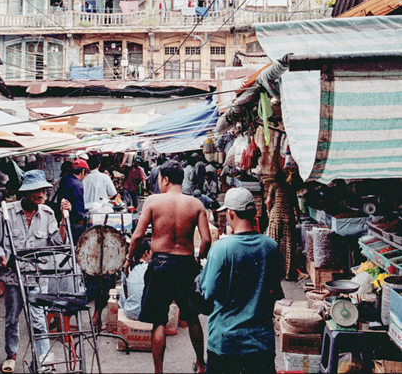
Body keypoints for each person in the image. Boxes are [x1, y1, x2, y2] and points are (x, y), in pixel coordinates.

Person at [125, 160, 211, 374]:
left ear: (165, 179)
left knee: (158, 321)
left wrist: (129, 259)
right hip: (185, 264)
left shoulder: (153, 202)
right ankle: (200, 364)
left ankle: (159, 371)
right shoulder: (196, 204)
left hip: (160, 264)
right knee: (191, 317)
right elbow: (207, 240)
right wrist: (198, 260)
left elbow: (137, 236)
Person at [0, 169, 71, 373]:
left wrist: (63, 220)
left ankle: (43, 360)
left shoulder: (48, 214)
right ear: (26, 192)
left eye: (43, 190)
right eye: (36, 190)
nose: (41, 194)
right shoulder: (7, 213)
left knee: (38, 320)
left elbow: (57, 243)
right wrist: (1, 257)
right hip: (13, 277)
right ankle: (11, 354)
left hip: (36, 277)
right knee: (12, 319)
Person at [200, 188, 283, 374]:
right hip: (260, 343)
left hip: (225, 342)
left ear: (230, 213)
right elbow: (274, 291)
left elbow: (207, 293)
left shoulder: (221, 248)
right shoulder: (271, 247)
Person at [266, 171, 300, 280]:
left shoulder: (273, 186)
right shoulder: (290, 188)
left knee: (273, 243)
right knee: (288, 245)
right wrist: (297, 216)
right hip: (288, 216)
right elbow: (295, 204)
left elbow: (268, 201)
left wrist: (268, 212)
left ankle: (273, 272)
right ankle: (288, 273)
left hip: (275, 216)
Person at [56, 159, 89, 243]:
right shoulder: (77, 185)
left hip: (62, 220)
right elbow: (78, 212)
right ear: (83, 171)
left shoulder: (65, 179)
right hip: (73, 224)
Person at [119, 238, 152, 320]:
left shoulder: (128, 268)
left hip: (130, 313)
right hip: (147, 315)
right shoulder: (151, 269)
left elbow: (125, 292)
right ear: (146, 253)